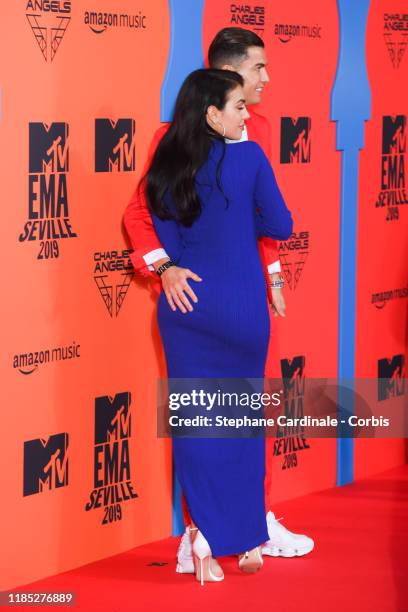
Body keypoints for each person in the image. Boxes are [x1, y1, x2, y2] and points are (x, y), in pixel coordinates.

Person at [124, 27, 314, 573]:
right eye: (259, 70)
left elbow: (251, 224)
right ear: (229, 77)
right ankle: (213, 529)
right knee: (220, 416)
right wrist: (164, 267)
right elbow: (142, 215)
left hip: (229, 295)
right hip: (222, 300)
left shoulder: (247, 136)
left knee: (229, 417)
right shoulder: (177, 138)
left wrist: (274, 271)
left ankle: (244, 523)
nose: (266, 80)